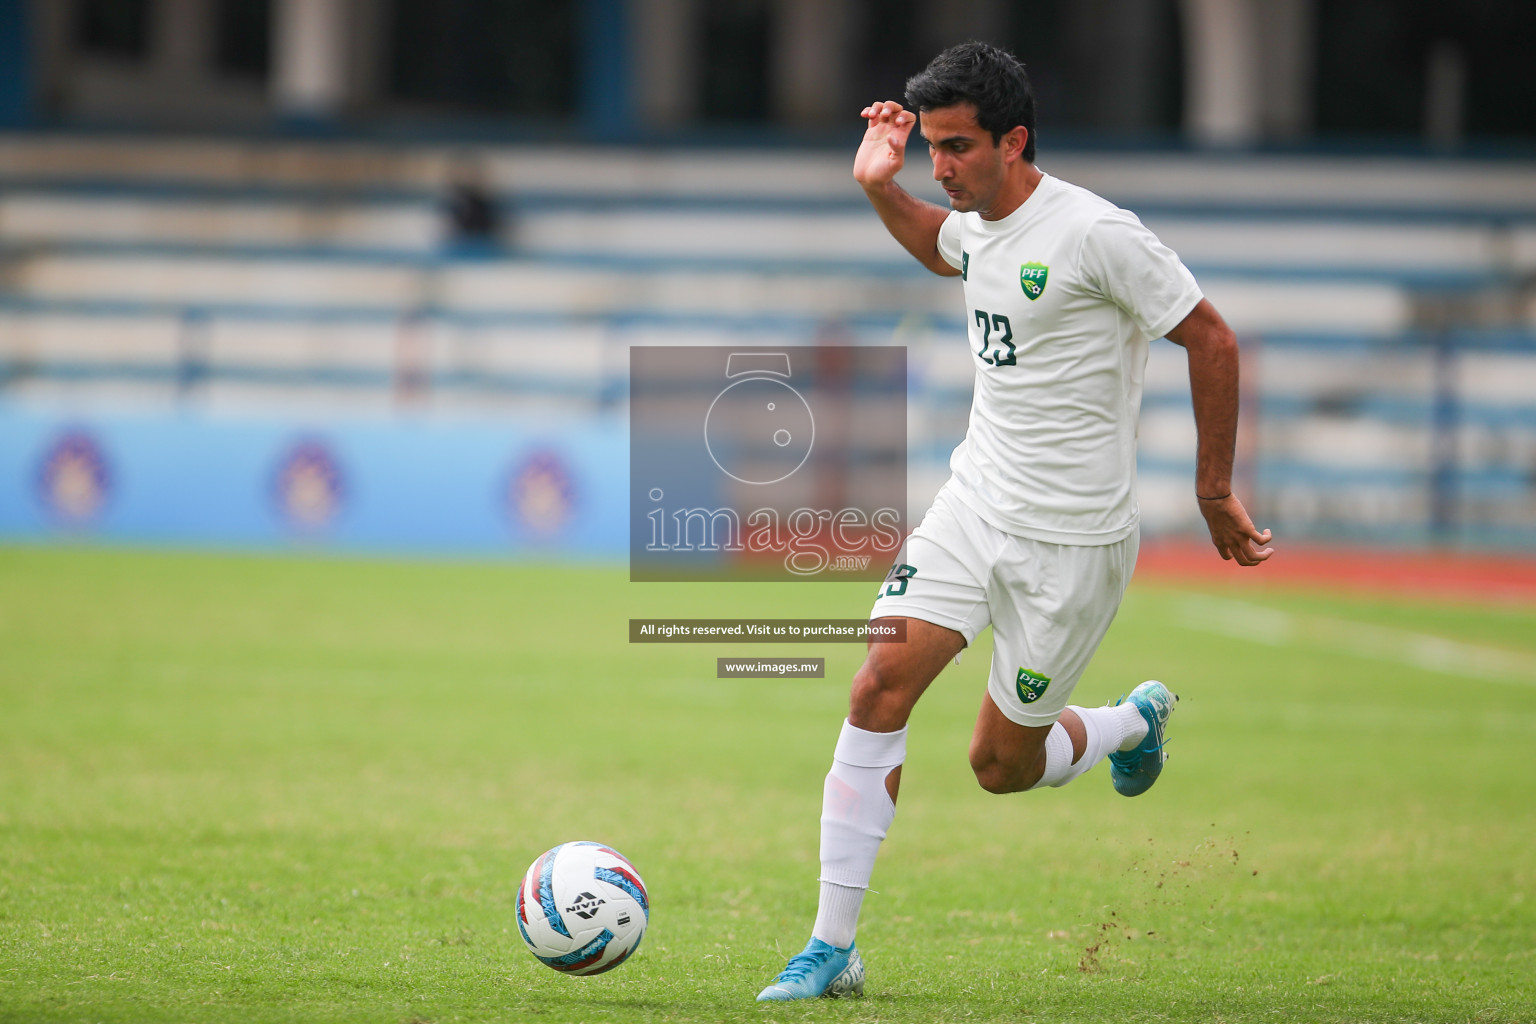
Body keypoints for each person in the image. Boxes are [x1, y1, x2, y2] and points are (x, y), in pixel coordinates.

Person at [755, 41, 1274, 1002]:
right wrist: (879, 187)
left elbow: (1211, 335)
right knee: (877, 687)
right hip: (974, 504)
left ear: (1015, 141)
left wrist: (1212, 492)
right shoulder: (975, 219)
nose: (939, 166)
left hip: (1073, 545)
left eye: (956, 148)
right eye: (932, 150)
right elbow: (944, 248)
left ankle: (1128, 722)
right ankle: (831, 948)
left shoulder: (1096, 235)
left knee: (999, 766)